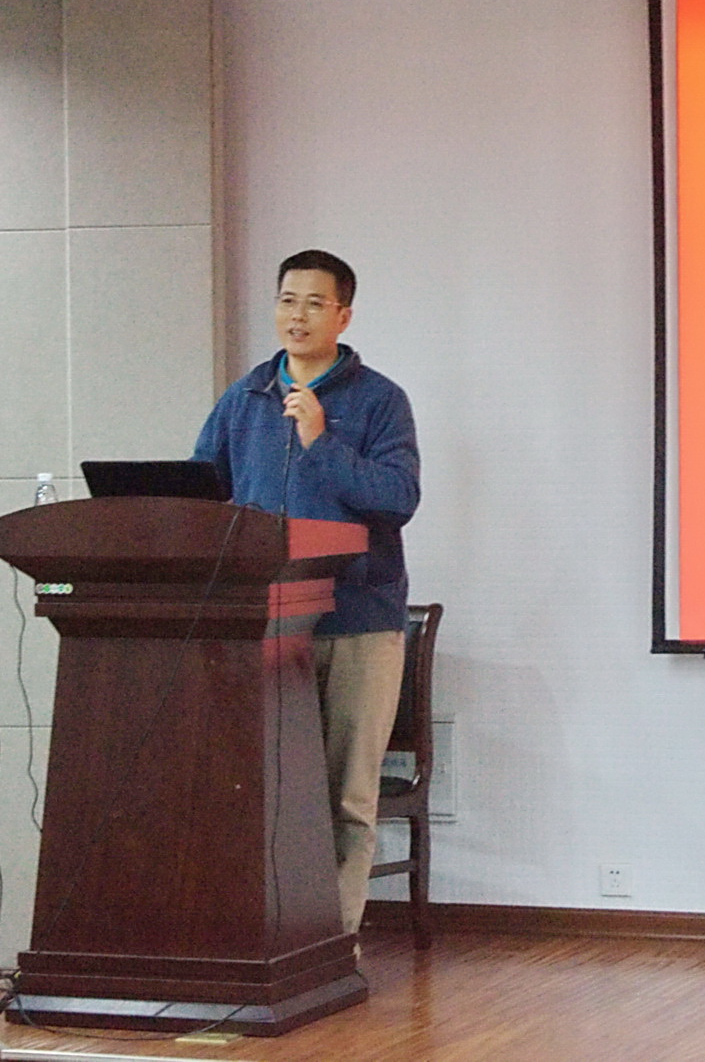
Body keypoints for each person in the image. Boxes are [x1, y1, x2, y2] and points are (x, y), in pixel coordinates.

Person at [193, 249, 420, 940]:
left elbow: (398, 498)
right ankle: (269, 940)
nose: (298, 315)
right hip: (265, 624)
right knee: (266, 790)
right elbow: (202, 493)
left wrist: (320, 441)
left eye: (315, 303)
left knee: (347, 796)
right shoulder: (244, 399)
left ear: (343, 315)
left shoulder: (379, 400)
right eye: (287, 300)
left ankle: (333, 943)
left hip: (357, 622)